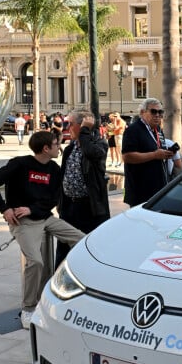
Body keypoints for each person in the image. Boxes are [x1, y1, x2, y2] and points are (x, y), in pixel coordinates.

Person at [0, 130, 85, 329]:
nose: (59, 147)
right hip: (24, 223)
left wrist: (33, 208)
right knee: (35, 262)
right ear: (46, 148)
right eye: (56, 144)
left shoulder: (54, 169)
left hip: (45, 217)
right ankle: (28, 308)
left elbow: (53, 199)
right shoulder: (19, 164)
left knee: (83, 240)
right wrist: (4, 209)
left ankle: (61, 287)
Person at [56, 110, 110, 266]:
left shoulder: (99, 144)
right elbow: (63, 175)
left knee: (90, 246)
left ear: (82, 126)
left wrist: (85, 131)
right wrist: (60, 201)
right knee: (63, 248)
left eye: (70, 124)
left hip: (89, 206)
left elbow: (91, 153)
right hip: (69, 206)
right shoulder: (70, 148)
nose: (67, 128)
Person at [121, 98, 179, 206]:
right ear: (142, 112)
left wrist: (166, 154)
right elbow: (127, 156)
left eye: (160, 112)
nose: (157, 115)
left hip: (158, 189)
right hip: (141, 192)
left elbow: (157, 151)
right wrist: (154, 155)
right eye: (153, 111)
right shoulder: (133, 130)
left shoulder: (158, 130)